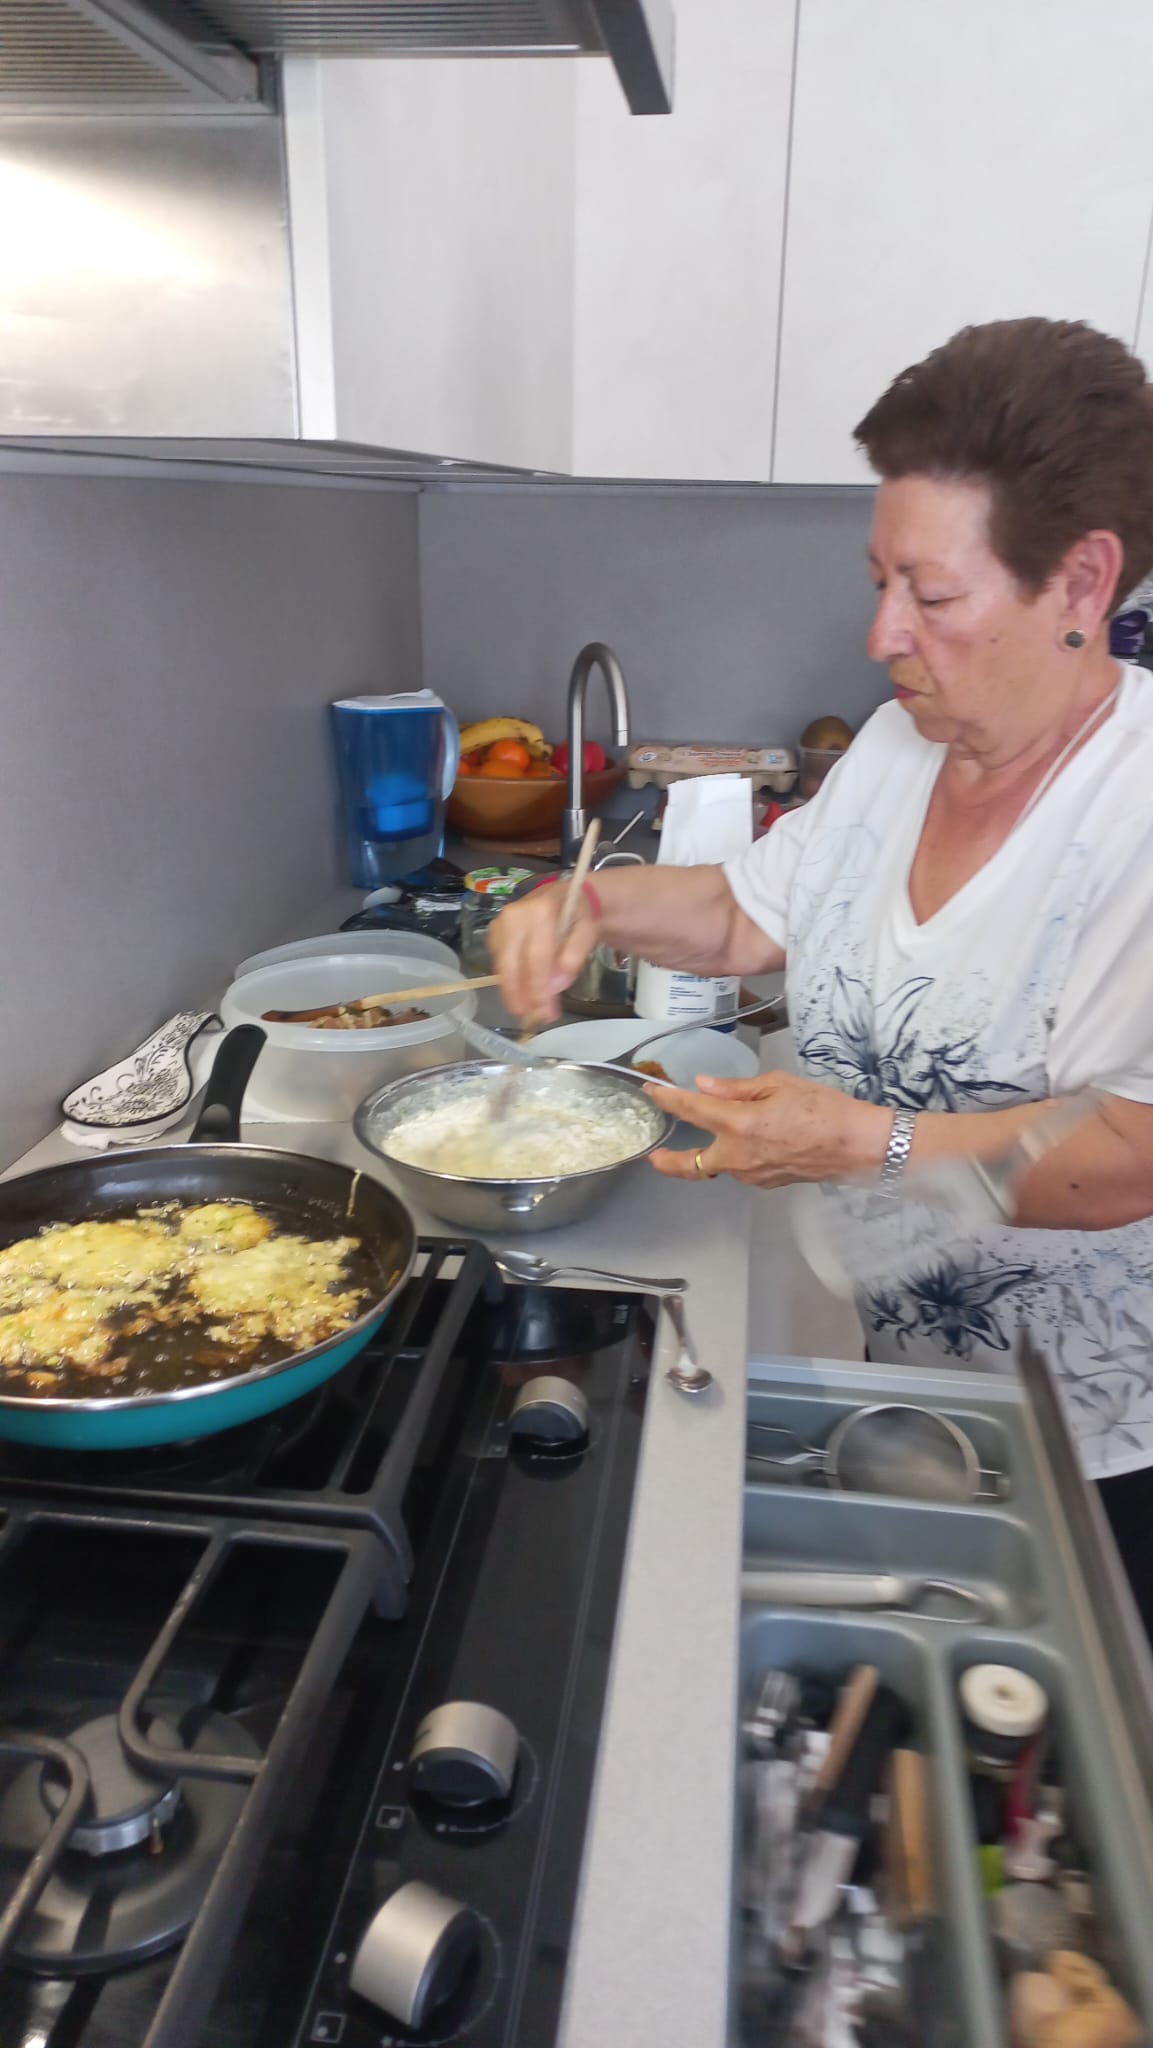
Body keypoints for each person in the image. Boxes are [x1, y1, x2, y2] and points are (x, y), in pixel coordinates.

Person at [491, 318, 1153, 1624]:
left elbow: (1130, 1154)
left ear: (1081, 583)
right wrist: (585, 903)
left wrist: (861, 1141)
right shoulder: (902, 749)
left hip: (1103, 1449)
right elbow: (742, 915)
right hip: (913, 1380)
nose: (880, 634)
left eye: (931, 595)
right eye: (877, 581)